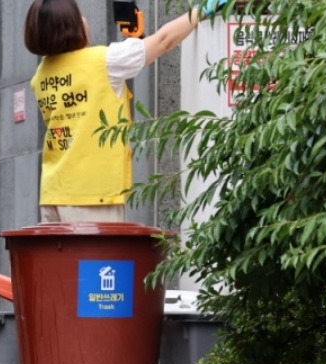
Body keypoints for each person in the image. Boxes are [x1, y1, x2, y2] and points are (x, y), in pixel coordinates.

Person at [24, 0, 228, 222]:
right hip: (92, 193)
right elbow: (163, 41)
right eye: (79, 15)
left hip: (53, 191)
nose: (85, 19)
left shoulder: (41, 75)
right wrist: (200, 11)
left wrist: (134, 44)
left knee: (59, 257)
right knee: (98, 257)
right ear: (69, 25)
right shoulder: (105, 61)